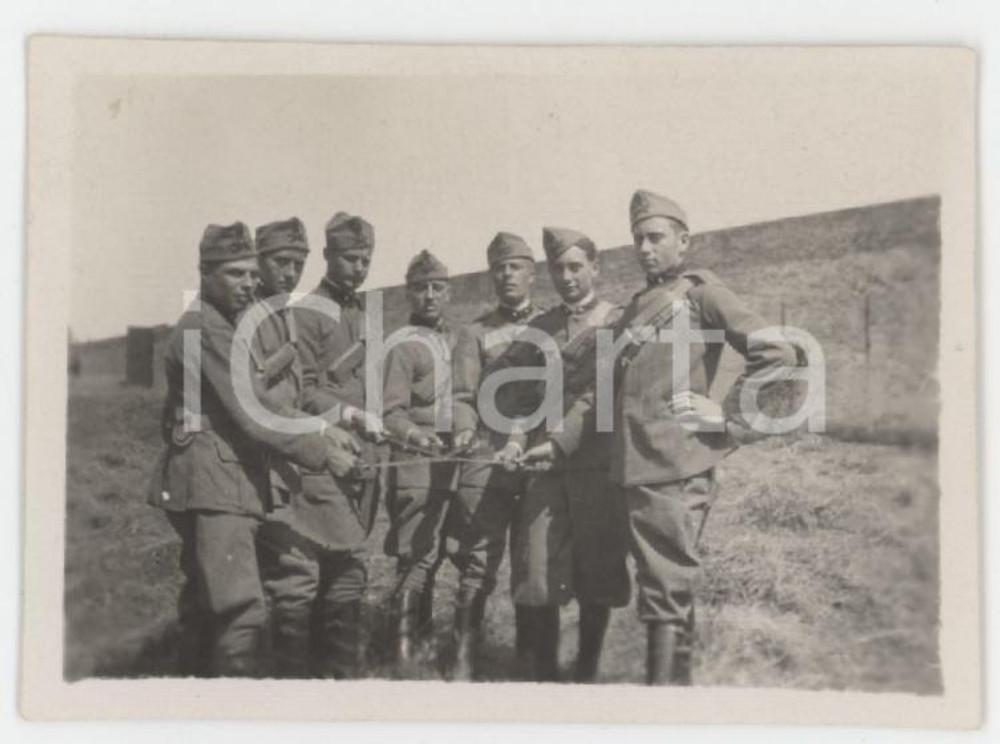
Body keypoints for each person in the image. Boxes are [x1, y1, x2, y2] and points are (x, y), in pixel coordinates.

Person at [521, 190, 800, 685]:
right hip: (629, 471)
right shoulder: (633, 312)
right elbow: (599, 397)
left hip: (675, 467)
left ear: (683, 240)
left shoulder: (700, 293)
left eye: (656, 237)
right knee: (659, 591)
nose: (645, 248)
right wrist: (558, 443)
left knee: (667, 592)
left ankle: (664, 712)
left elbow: (776, 352)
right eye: (638, 239)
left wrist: (728, 414)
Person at [148, 222, 357, 677]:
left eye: (248, 274)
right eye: (235, 274)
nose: (248, 284)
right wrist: (322, 450)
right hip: (215, 486)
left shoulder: (218, 324)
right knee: (240, 611)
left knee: (205, 605)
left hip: (209, 481)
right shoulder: (208, 328)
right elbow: (254, 410)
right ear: (205, 273)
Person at [492, 226, 631, 682]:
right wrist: (515, 439)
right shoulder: (540, 329)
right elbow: (520, 398)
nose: (567, 276)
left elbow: (602, 397)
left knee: (597, 573)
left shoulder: (617, 322)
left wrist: (557, 441)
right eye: (558, 268)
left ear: (596, 267)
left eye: (576, 266)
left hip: (595, 467)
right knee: (538, 575)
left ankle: (587, 672)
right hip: (543, 470)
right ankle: (547, 679)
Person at [264, 211, 387, 679]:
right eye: (351, 258)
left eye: (366, 259)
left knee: (343, 563)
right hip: (321, 460)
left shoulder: (361, 311)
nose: (360, 267)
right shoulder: (308, 312)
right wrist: (350, 415)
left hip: (361, 456)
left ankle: (330, 678)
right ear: (329, 257)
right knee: (324, 565)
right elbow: (306, 389)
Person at [446, 231, 542, 680]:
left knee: (533, 566)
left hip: (538, 465)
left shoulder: (553, 328)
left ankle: (527, 668)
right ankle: (462, 666)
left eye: (516, 266)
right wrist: (465, 432)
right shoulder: (474, 334)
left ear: (532, 273)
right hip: (487, 462)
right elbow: (463, 396)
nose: (507, 275)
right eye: (499, 268)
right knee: (478, 563)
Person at [380, 249, 458, 674]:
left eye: (437, 288)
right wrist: (417, 436)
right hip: (412, 463)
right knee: (415, 555)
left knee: (435, 553)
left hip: (450, 463)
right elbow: (391, 412)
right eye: (420, 288)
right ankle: (402, 657)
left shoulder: (453, 340)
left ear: (448, 292)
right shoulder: (403, 345)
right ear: (409, 293)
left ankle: (424, 646)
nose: (429, 296)